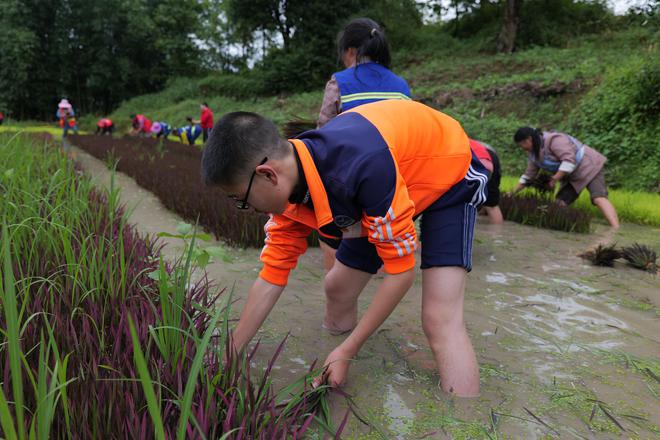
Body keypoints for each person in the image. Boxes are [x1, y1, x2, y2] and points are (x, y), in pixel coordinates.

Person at [201, 100, 488, 397]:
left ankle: (465, 415)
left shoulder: (361, 166)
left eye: (241, 199)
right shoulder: (293, 187)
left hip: (447, 171)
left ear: (268, 174)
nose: (245, 209)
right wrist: (230, 352)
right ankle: (338, 347)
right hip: (386, 189)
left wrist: (348, 351)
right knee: (336, 288)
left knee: (439, 319)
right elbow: (272, 275)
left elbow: (401, 274)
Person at [316, 17, 412, 271]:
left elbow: (323, 137)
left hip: (350, 180)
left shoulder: (340, 82)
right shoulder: (401, 86)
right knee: (392, 255)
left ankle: (333, 284)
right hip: (396, 185)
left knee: (331, 240)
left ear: (350, 51)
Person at [511, 127, 619, 228]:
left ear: (528, 140)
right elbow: (528, 176)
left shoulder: (554, 140)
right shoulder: (533, 154)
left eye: (522, 145)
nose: (522, 148)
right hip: (571, 175)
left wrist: (554, 179)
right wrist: (511, 194)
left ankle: (615, 229)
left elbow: (569, 160)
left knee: (598, 198)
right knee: (559, 204)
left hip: (589, 166)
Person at [469, 139, 503, 224]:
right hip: (491, 156)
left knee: (490, 204)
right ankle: (496, 234)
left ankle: (494, 233)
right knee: (490, 202)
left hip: (478, 157)